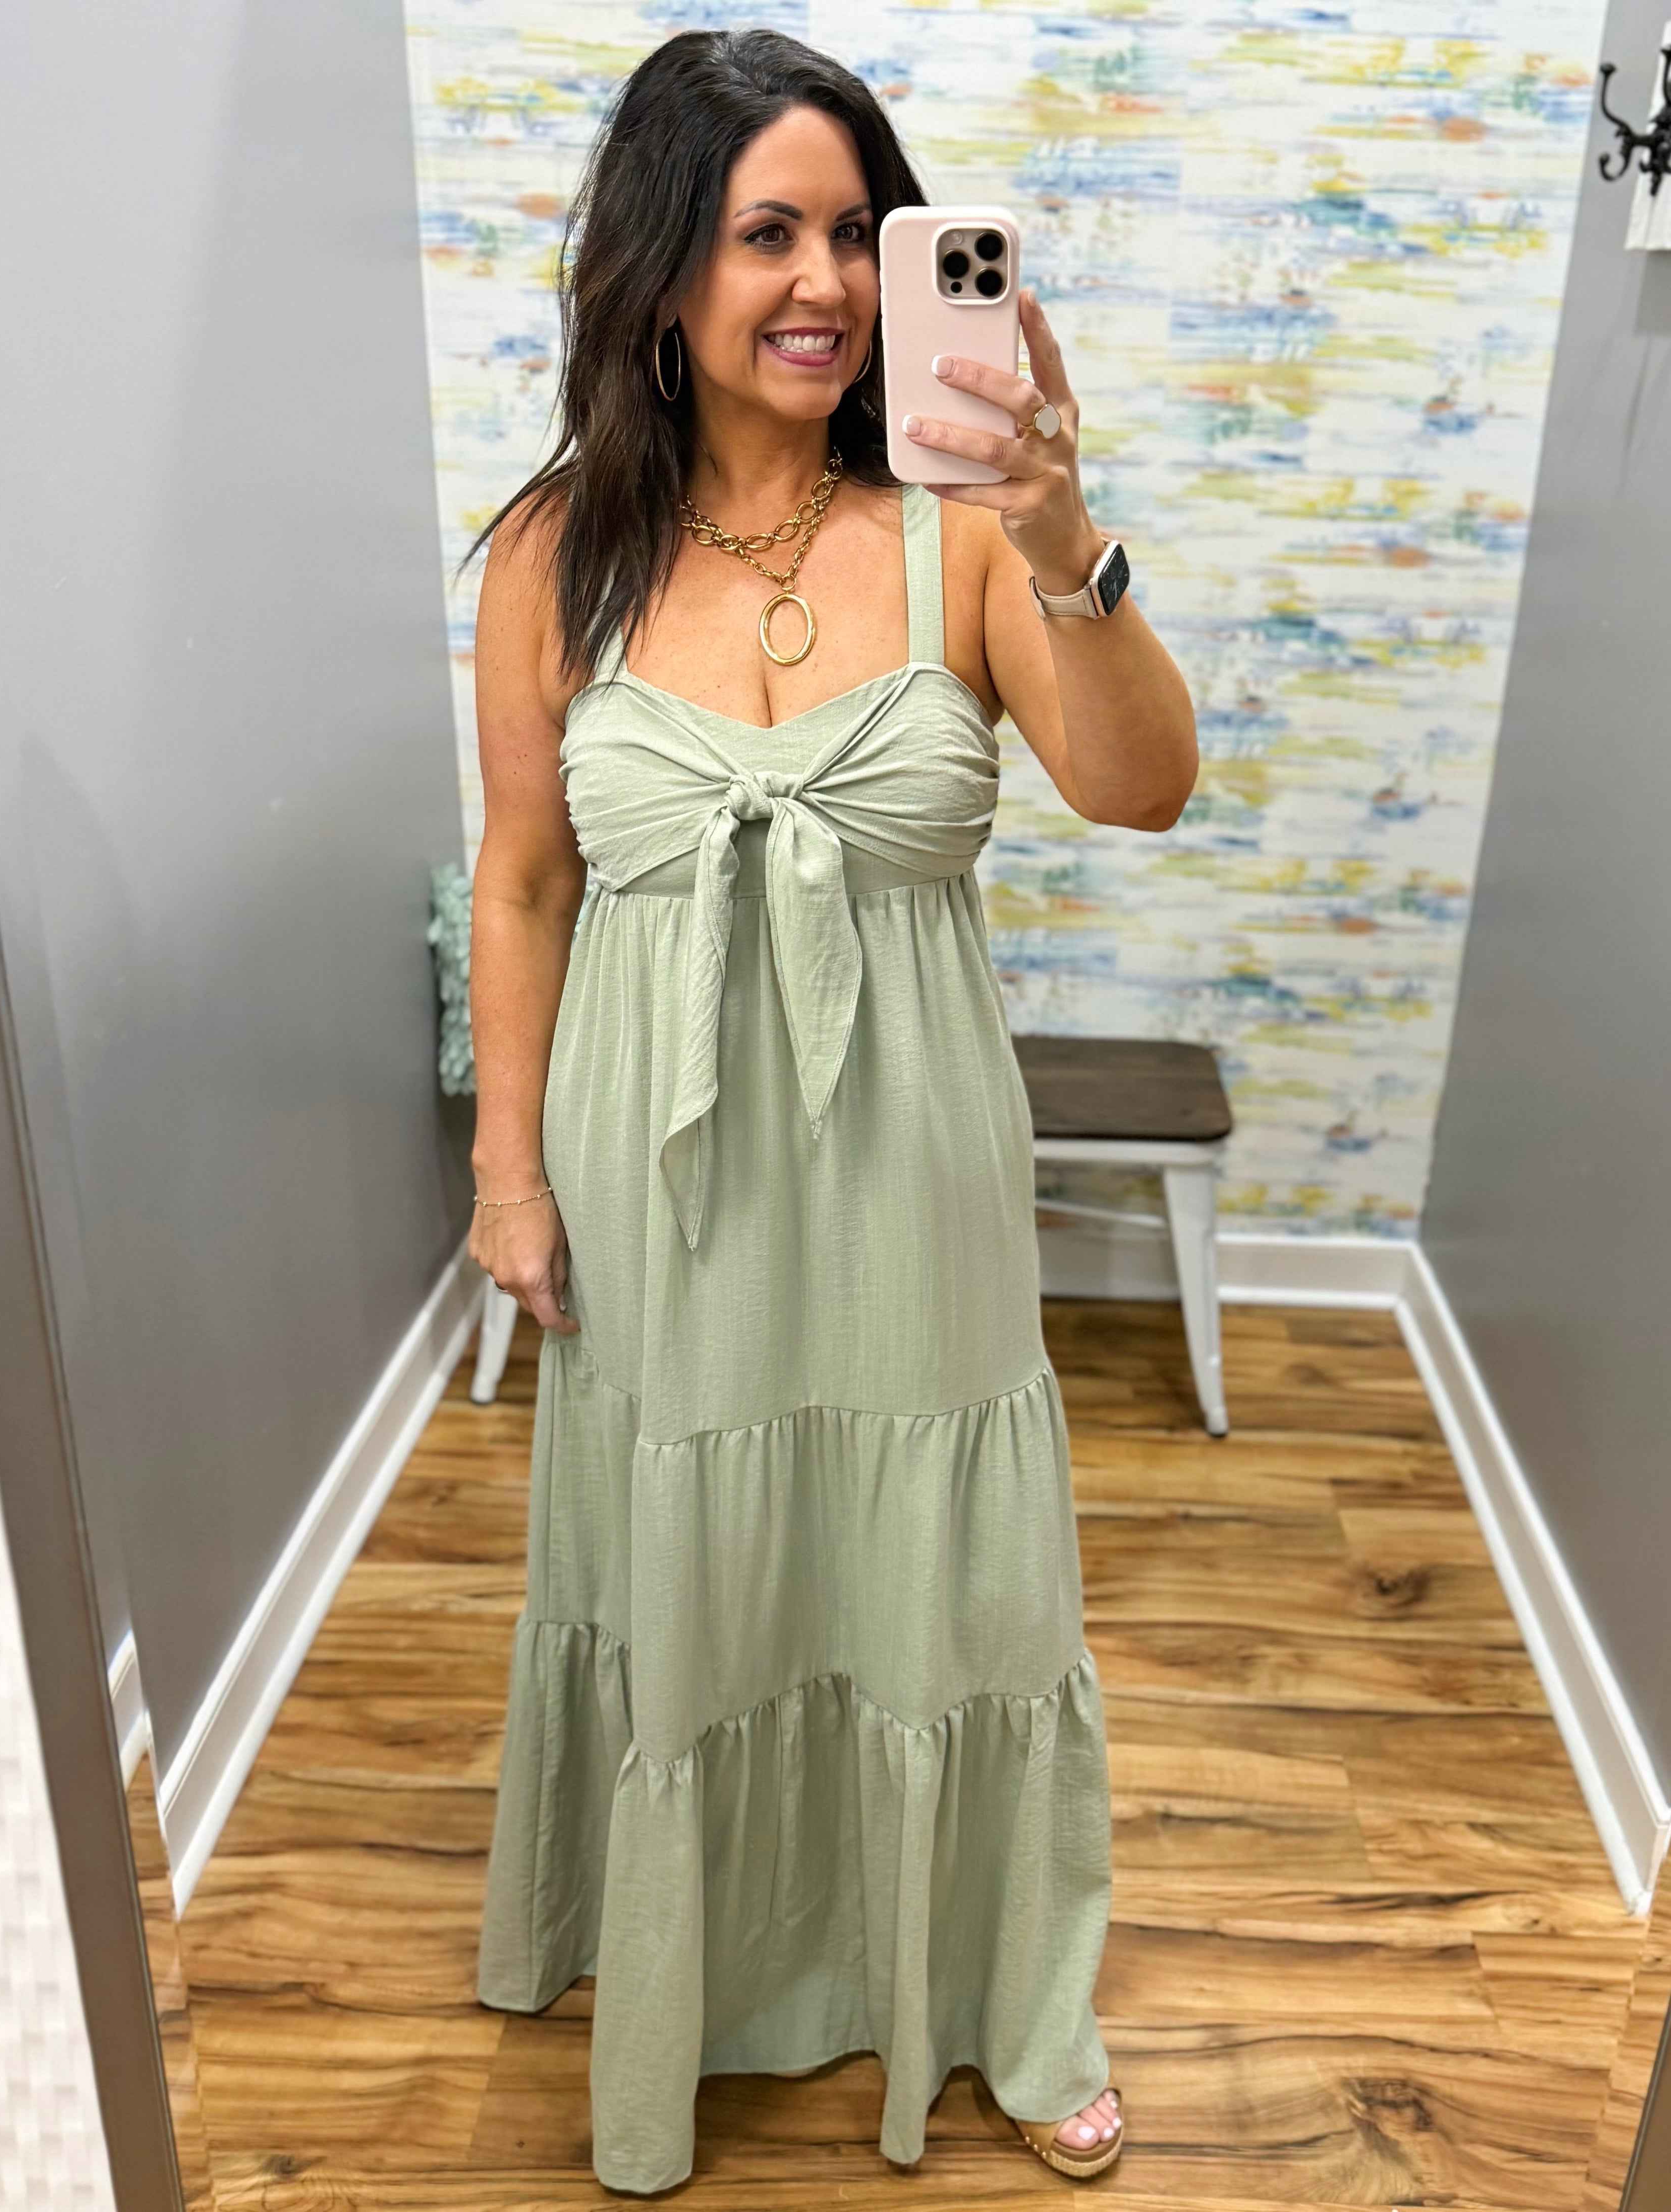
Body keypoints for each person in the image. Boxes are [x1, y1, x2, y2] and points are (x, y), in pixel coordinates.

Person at [462, 26, 1197, 2196]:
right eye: (762, 231)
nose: (824, 284)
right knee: (696, 1559)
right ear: (659, 267)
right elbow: (521, 879)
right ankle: (700, 1963)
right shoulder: (548, 556)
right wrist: (508, 1173)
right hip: (653, 1167)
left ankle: (999, 1979)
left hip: (912, 1168)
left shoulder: (960, 534)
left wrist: (1067, 530)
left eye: (856, 234)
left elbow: (1140, 785)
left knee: (946, 1575)